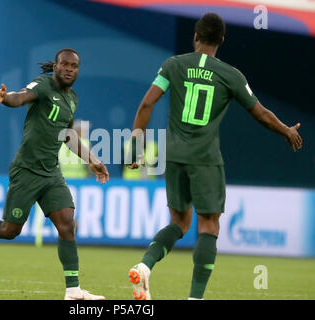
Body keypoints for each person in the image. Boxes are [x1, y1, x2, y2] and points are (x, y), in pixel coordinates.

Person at [127, 13, 302, 300]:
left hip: (174, 156)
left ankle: (145, 266)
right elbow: (260, 114)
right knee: (209, 225)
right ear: (221, 41)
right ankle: (195, 298)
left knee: (179, 222)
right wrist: (285, 131)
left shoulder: (173, 65)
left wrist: (136, 146)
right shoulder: (231, 75)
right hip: (205, 158)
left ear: (195, 37)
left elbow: (147, 102)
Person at [0, 48, 109, 300]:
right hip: (27, 170)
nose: (69, 69)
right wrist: (6, 98)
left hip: (51, 173)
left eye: (74, 66)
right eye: (65, 65)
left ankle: (73, 291)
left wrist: (92, 160)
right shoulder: (43, 85)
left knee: (67, 225)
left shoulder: (72, 99)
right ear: (56, 66)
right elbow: (21, 97)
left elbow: (68, 135)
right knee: (9, 230)